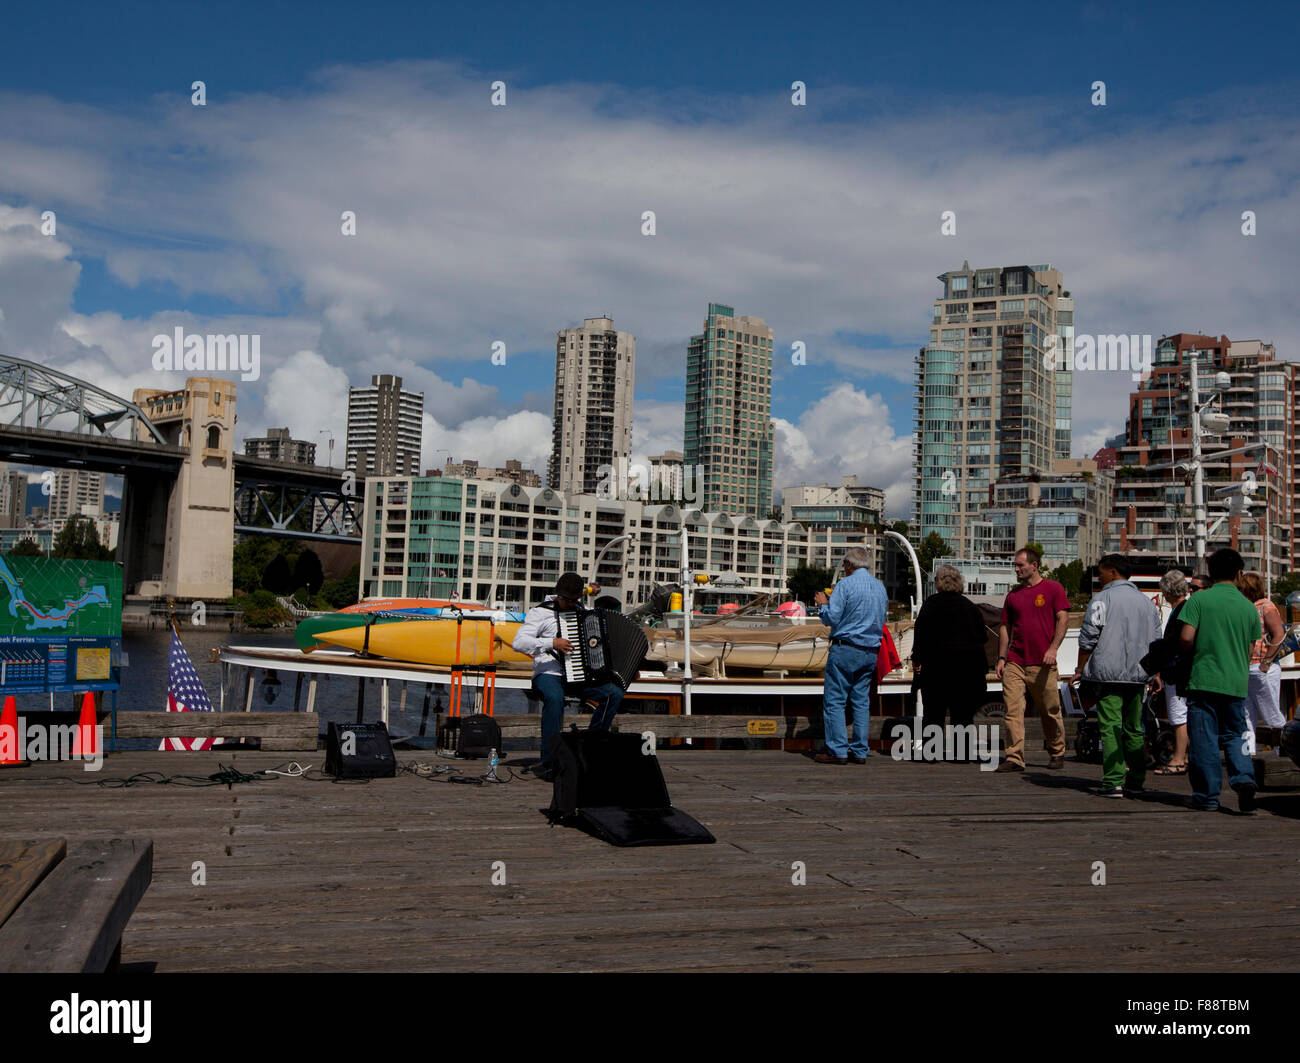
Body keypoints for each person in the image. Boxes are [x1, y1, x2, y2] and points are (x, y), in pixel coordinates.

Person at [512, 572, 625, 782]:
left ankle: (591, 749)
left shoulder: (587, 613)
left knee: (614, 694)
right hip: (549, 672)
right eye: (566, 600)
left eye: (574, 600)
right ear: (558, 595)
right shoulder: (540, 613)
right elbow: (518, 643)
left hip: (580, 676)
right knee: (555, 699)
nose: (570, 604)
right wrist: (551, 643)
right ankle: (550, 762)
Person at [1176, 548, 1261, 813]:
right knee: (1236, 734)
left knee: (1204, 739)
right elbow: (1249, 651)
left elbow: (1186, 638)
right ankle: (1244, 778)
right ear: (1239, 574)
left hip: (1204, 679)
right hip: (1235, 682)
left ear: (1211, 573)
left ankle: (1207, 796)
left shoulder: (1199, 601)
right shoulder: (1248, 607)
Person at [1073, 555, 1162, 798]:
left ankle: (1113, 780)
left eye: (1100, 573)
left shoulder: (1102, 599)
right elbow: (1156, 641)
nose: (1099, 577)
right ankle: (1136, 779)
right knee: (1134, 728)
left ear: (1112, 572)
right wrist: (1154, 672)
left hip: (1107, 675)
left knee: (1110, 727)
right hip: (1138, 675)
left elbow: (1088, 637)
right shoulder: (1147, 603)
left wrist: (1080, 669)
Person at [995, 546, 1069, 772]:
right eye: (1015, 565)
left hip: (1043, 662)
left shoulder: (1053, 589)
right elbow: (1005, 627)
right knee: (1012, 710)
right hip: (1015, 661)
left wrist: (1053, 648)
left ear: (1034, 566)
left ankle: (1057, 751)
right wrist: (1001, 657)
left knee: (1050, 709)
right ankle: (1014, 757)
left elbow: (1063, 619)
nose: (1016, 569)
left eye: (1020, 565)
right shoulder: (1013, 595)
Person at [812, 546, 888, 764]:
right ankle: (860, 751)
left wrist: (822, 605)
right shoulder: (879, 587)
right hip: (870, 650)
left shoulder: (844, 585)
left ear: (848, 565)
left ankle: (838, 751)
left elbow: (832, 619)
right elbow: (881, 620)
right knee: (861, 701)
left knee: (835, 701)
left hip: (845, 648)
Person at [911, 564, 989, 745]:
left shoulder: (931, 604)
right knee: (962, 713)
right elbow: (981, 639)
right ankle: (961, 754)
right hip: (965, 670)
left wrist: (917, 660)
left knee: (933, 713)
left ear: (939, 582)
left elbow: (920, 636)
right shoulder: (970, 608)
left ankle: (931, 751)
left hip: (936, 669)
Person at [1238, 571, 1286, 754]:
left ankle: (1283, 752)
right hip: (1247, 667)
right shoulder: (1248, 606)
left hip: (1261, 666)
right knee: (1245, 714)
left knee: (1271, 713)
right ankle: (1247, 754)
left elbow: (1278, 634)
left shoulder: (1266, 606)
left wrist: (1266, 663)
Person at [1150, 570, 1192, 777]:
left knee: (1178, 717)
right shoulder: (1187, 608)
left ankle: (1179, 758)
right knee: (1183, 715)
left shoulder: (1180, 611)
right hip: (1182, 671)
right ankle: (1184, 757)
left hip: (1176, 672)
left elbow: (1176, 643)